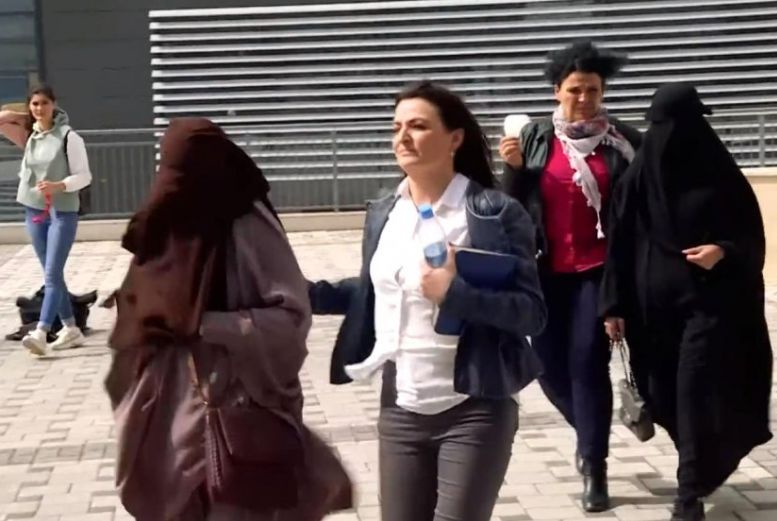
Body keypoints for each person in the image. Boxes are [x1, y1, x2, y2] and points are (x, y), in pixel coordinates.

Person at [309, 81, 546, 521]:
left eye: (417, 126)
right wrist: (304, 294)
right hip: (400, 406)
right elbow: (375, 289)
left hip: (475, 407)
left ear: (454, 139)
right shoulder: (385, 211)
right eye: (396, 127)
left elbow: (531, 313)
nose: (403, 137)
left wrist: (455, 294)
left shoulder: (493, 212)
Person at [105, 118, 353, 521]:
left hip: (233, 414)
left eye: (184, 167)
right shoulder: (163, 220)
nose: (173, 178)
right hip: (165, 422)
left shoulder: (247, 224)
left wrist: (206, 325)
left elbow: (290, 318)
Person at [600, 83, 773, 521]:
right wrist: (613, 305)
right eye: (662, 126)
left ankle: (688, 494)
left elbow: (750, 238)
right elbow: (619, 244)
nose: (671, 137)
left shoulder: (720, 178)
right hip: (651, 315)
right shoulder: (638, 180)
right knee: (666, 397)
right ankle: (696, 468)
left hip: (711, 308)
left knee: (696, 392)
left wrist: (722, 251)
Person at [499, 41, 641, 512]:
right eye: (575, 89)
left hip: (599, 273)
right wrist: (513, 171)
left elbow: (644, 208)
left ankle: (594, 465)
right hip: (545, 271)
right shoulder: (536, 138)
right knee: (547, 367)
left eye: (593, 90)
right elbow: (511, 208)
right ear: (557, 91)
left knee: (586, 361)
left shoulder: (624, 141)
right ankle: (589, 433)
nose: (584, 98)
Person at [0, 85, 92, 356]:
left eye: (44, 103)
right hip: (34, 210)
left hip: (62, 212)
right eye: (35, 104)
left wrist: (59, 185)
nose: (39, 108)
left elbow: (84, 176)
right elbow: (2, 118)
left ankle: (40, 331)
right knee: (52, 275)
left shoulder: (69, 137)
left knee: (52, 274)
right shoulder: (30, 135)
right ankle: (71, 328)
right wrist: (24, 115)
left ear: (54, 104)